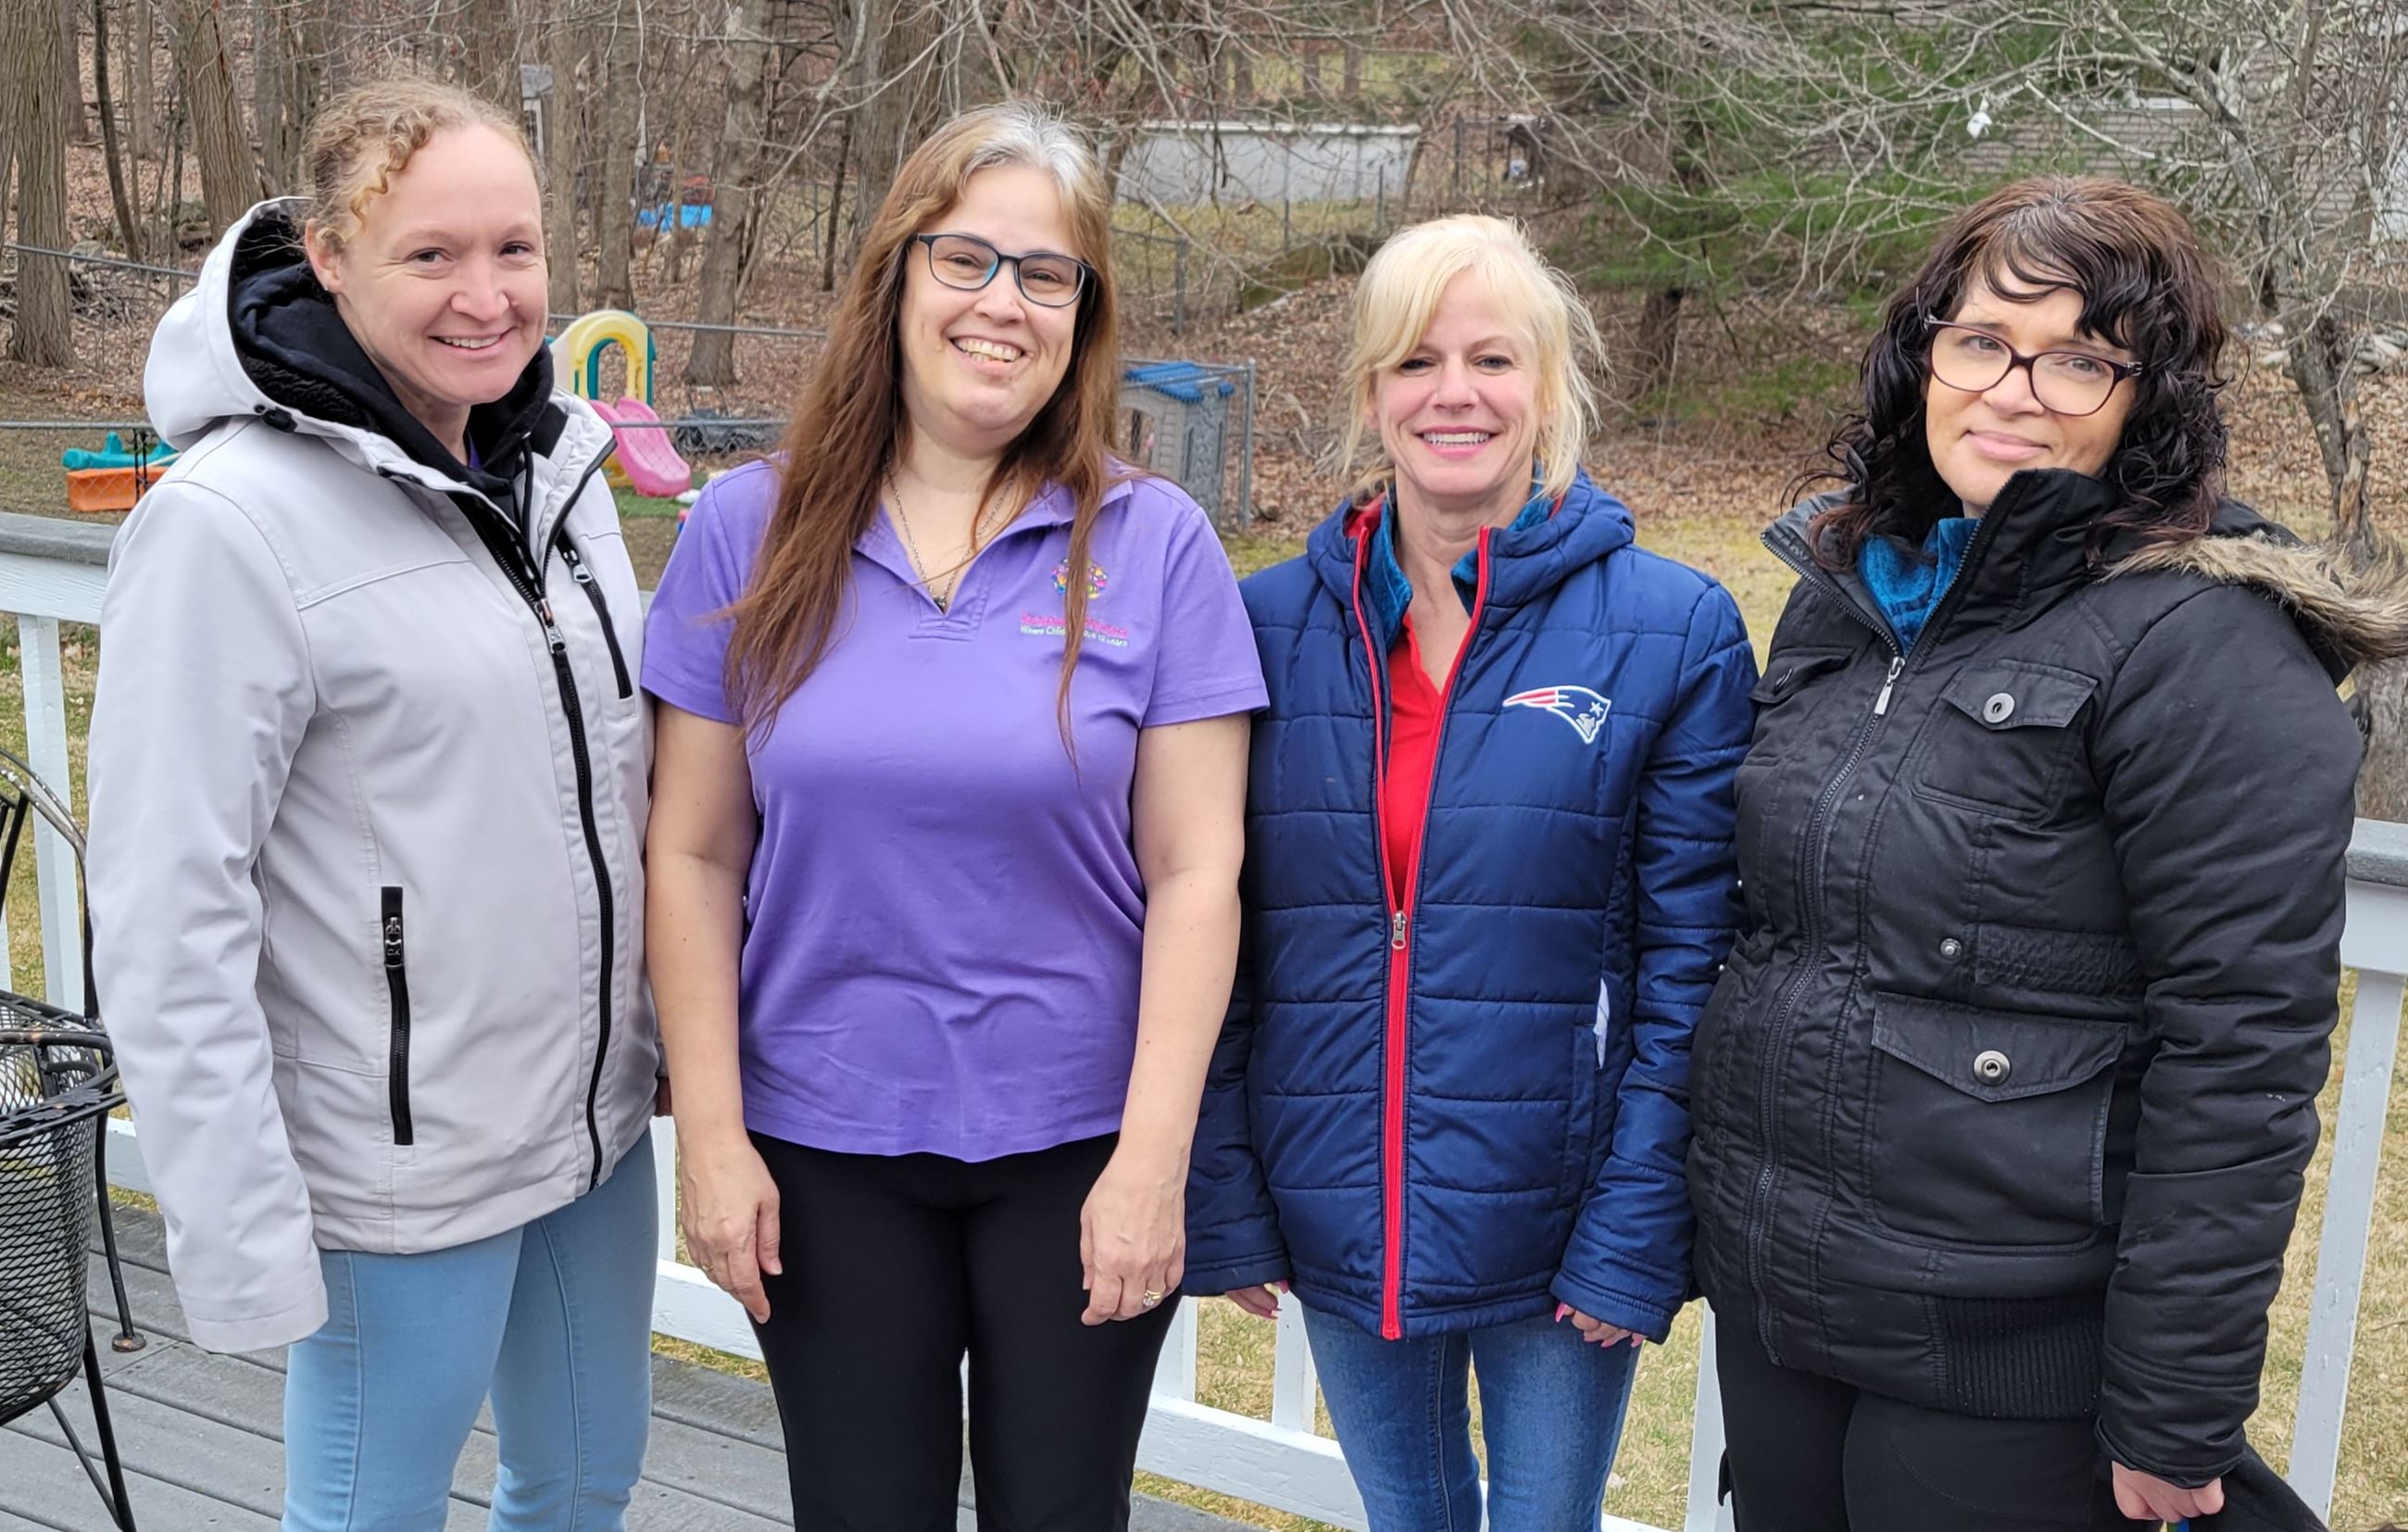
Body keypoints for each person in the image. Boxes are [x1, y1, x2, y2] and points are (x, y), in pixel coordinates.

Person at [1689, 176, 2398, 1531]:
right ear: (1924, 359)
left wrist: (2174, 1404)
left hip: (2005, 1360)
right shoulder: (1850, 598)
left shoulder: (2203, 647)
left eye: (2081, 358)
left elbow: (2240, 1054)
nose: (2016, 387)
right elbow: (1779, 944)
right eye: (1983, 342)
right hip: (1789, 1313)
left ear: (2149, 398)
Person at [643, 102, 1263, 1531]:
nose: (1004, 303)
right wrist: (717, 1141)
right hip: (823, 1144)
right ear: (897, 278)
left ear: (1084, 314)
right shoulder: (751, 529)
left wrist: (1153, 1161)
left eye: (1047, 275)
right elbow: (690, 850)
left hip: (1078, 1149)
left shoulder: (1154, 544)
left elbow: (1196, 868)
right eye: (967, 259)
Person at [86, 78, 659, 1529]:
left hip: (589, 1128)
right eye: (431, 254)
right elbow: (166, 906)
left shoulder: (563, 464)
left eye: (515, 249)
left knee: (581, 1485)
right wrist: (240, 1234)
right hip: (392, 1170)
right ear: (328, 257)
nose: (486, 295)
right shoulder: (228, 521)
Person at [1182, 214, 1758, 1531]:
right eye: (1415, 360)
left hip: (1560, 1216)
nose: (1454, 392)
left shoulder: (1673, 632)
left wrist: (1633, 1235)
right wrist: (1227, 1192)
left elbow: (1693, 969)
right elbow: (1216, 926)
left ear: (1548, 387)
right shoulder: (1264, 628)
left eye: (1492, 358)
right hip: (1334, 1192)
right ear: (1370, 394)